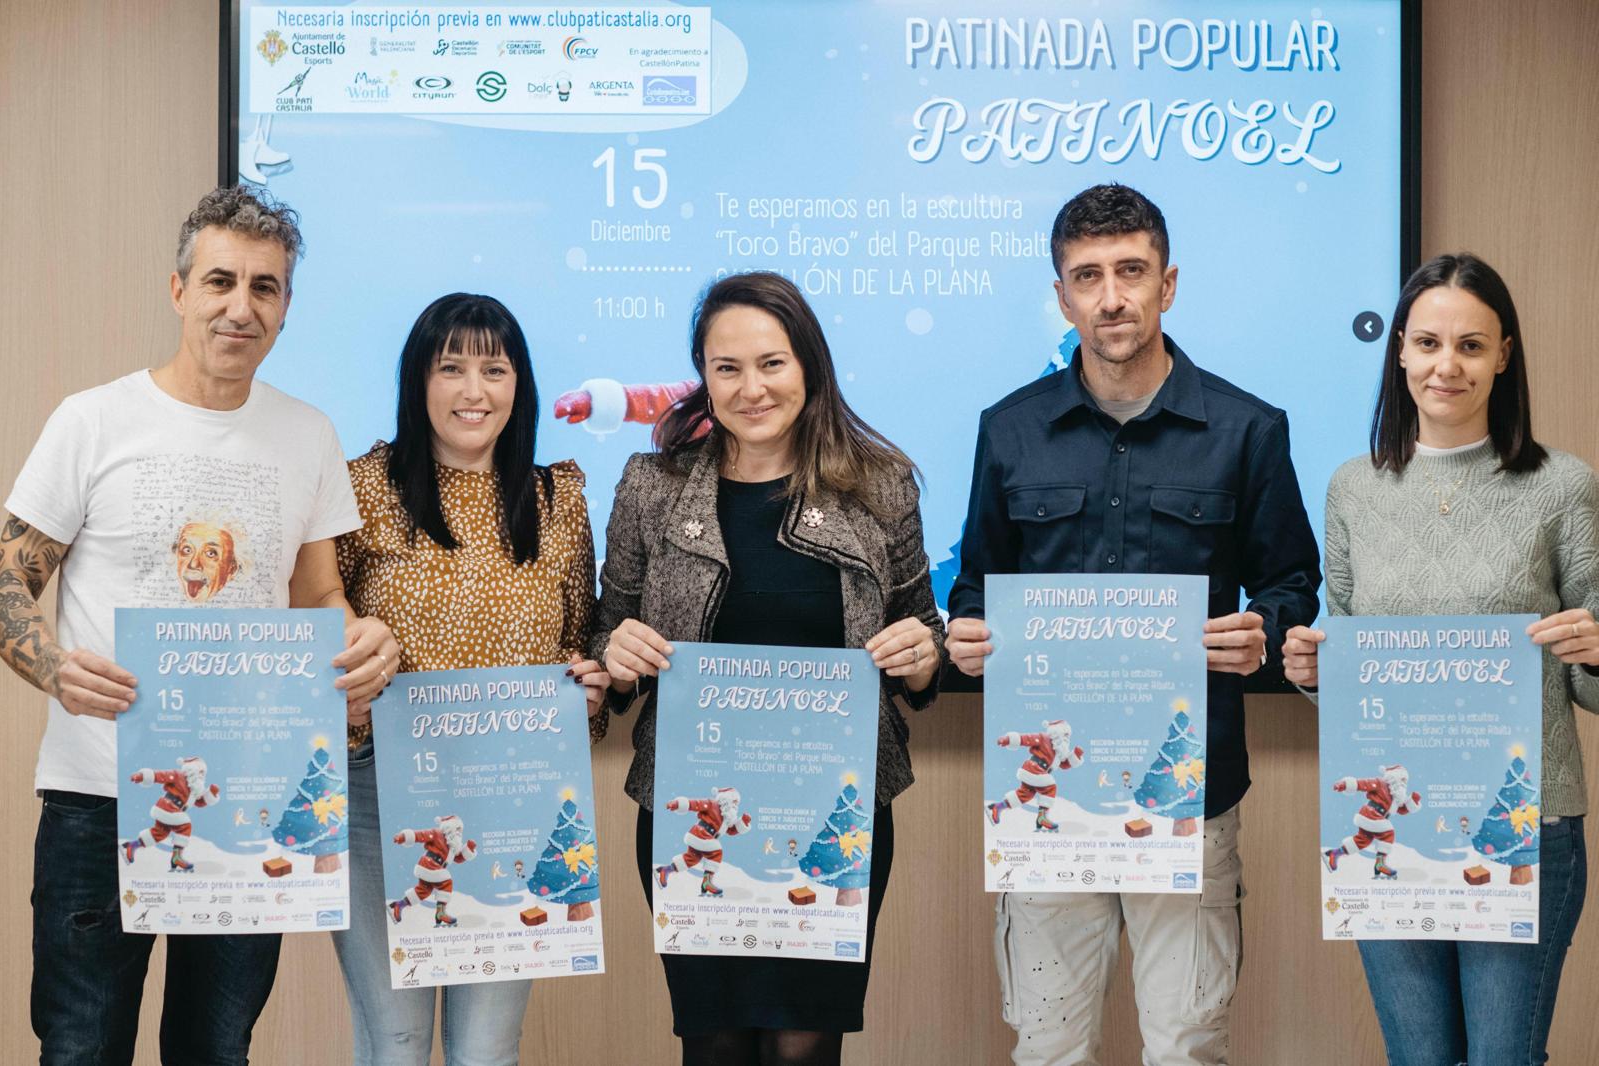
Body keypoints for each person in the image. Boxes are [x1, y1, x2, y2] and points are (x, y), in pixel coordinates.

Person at [1, 184, 398, 1065]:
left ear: (286, 308)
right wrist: (51, 667)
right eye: (220, 281)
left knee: (216, 1051)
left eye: (265, 287)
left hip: (246, 801)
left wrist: (361, 640)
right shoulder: (94, 420)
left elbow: (320, 599)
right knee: (79, 1047)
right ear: (178, 290)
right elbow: (5, 578)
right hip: (97, 795)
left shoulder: (307, 434)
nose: (240, 306)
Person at [945, 183, 1321, 1066]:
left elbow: (1292, 581)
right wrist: (966, 635)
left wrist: (1262, 625)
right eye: (1088, 277)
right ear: (1063, 294)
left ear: (1169, 283)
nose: (1111, 296)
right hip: (1047, 798)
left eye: (1131, 271)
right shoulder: (1008, 431)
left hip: (1190, 793)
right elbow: (975, 590)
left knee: (1187, 1044)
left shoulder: (1248, 429)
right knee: (1049, 1046)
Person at [592, 270, 943, 1066]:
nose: (752, 388)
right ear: (704, 377)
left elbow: (921, 634)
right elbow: (609, 634)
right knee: (714, 1045)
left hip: (834, 819)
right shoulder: (654, 487)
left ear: (809, 366)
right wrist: (617, 655)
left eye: (772, 363)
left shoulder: (879, 486)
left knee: (802, 1049)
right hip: (691, 822)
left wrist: (924, 658)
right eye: (728, 368)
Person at [1282, 252, 1599, 1066]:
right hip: (1392, 824)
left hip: (1523, 824)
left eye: (1469, 345)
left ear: (1504, 354)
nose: (1445, 365)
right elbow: (1350, 657)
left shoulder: (1565, 486)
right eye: (1426, 343)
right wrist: (1318, 673)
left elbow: (1591, 677)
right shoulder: (1352, 487)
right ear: (1398, 353)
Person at [330, 293, 608, 1065]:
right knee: (395, 1046)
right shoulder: (364, 488)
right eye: (450, 367)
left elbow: (578, 640)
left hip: (510, 803)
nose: (473, 390)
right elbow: (322, 639)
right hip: (378, 801)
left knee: (487, 1053)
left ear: (519, 383)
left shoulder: (559, 500)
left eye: (494, 367)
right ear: (418, 382)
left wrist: (585, 686)